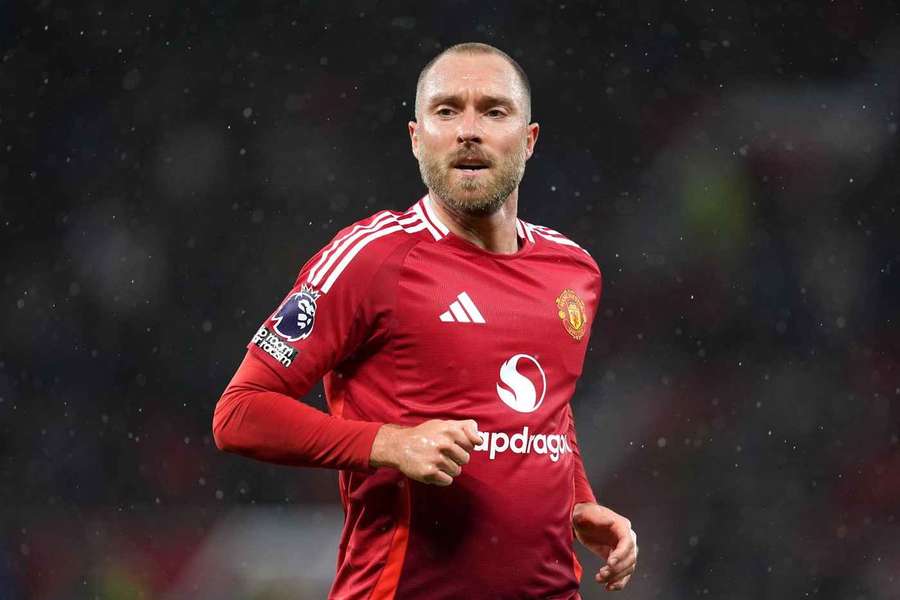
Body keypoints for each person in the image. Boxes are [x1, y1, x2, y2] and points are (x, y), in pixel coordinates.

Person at [213, 42, 638, 598]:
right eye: (446, 110)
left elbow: (545, 409)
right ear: (416, 139)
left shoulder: (572, 270)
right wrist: (388, 444)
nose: (469, 131)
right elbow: (239, 413)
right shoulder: (370, 259)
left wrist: (580, 499)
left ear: (529, 139)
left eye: (493, 111)